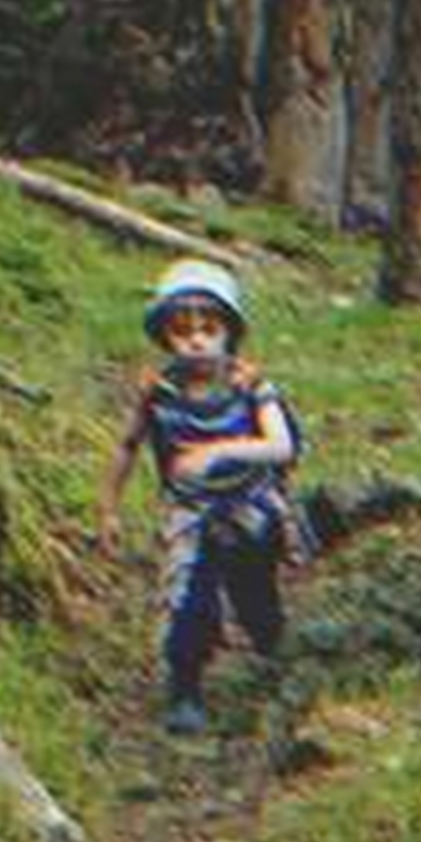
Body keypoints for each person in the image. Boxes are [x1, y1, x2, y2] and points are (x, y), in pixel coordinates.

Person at [96, 259, 308, 737]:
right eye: (182, 331)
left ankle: (275, 655)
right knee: (188, 594)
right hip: (191, 512)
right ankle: (186, 686)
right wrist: (108, 508)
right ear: (165, 337)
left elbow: (282, 445)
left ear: (228, 333)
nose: (196, 341)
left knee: (255, 590)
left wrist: (218, 452)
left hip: (251, 504)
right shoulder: (160, 393)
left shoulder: (251, 387)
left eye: (208, 329)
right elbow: (127, 446)